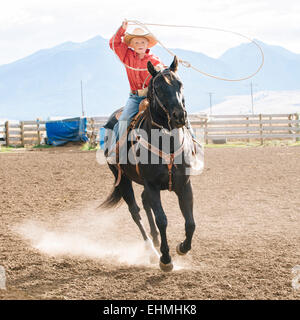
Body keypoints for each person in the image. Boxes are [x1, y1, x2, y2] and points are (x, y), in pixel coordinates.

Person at [108, 20, 195, 164]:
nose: (140, 45)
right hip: (135, 97)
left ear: (147, 44)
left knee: (179, 113)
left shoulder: (154, 60)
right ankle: (116, 151)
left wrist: (171, 68)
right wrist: (122, 29)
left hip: (151, 97)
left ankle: (193, 143)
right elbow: (113, 43)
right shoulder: (126, 56)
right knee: (123, 120)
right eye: (136, 42)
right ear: (131, 45)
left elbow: (164, 74)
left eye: (143, 42)